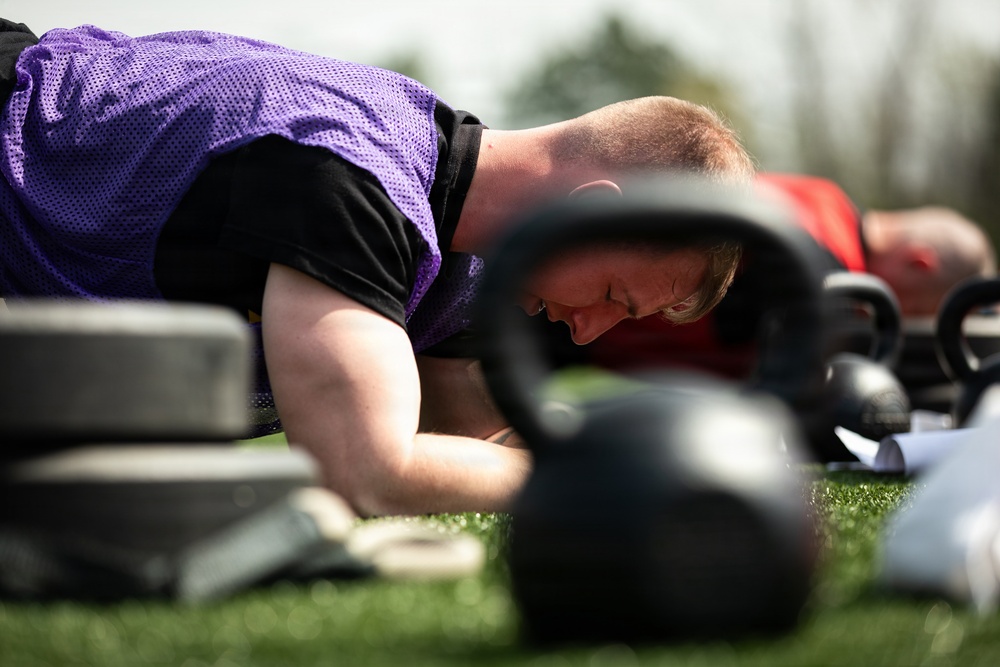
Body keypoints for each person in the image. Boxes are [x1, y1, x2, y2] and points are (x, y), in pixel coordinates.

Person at [0, 20, 754, 516]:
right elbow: (360, 471)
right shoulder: (355, 177)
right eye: (615, 296)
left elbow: (467, 455)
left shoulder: (468, 255)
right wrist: (613, 469)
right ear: (589, 210)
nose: (590, 335)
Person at [582, 172, 998, 378]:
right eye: (920, 310)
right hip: (566, 308)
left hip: (580, 319)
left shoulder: (824, 194)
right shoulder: (832, 261)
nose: (894, 321)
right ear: (918, 263)